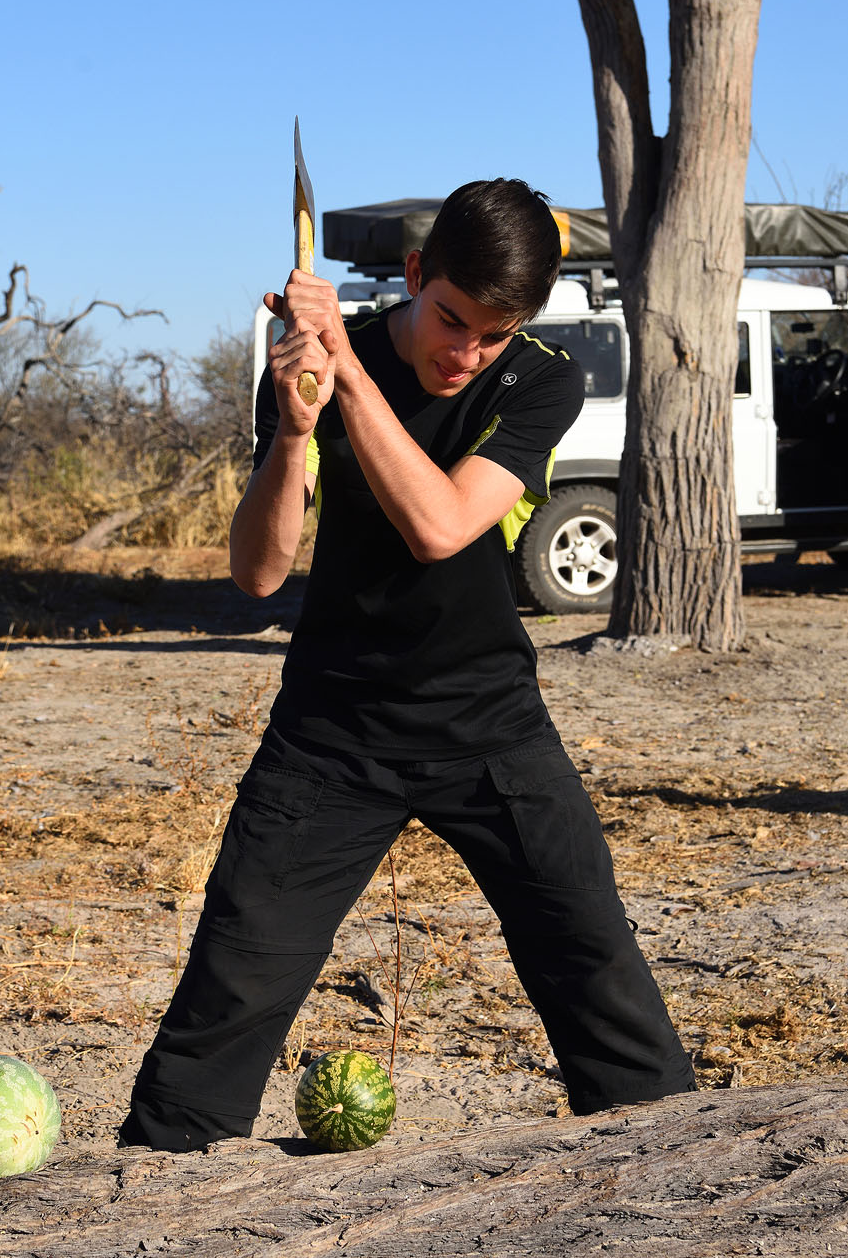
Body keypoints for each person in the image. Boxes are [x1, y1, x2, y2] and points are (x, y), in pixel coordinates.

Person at [118, 178, 695, 1152]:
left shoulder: (540, 377)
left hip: (489, 727)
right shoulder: (309, 371)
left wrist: (346, 375)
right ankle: (142, 1209)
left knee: (592, 963)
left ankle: (677, 1177)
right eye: (450, 321)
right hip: (331, 734)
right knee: (234, 979)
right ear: (416, 274)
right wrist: (297, 428)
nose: (463, 355)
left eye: (492, 334)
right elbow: (257, 573)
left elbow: (438, 525)